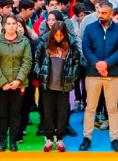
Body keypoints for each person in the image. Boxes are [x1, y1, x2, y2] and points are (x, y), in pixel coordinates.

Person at [79, 1, 118, 153]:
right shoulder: (90, 28)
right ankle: (87, 137)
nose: (101, 15)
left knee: (112, 108)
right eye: (99, 12)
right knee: (90, 108)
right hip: (93, 74)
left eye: (104, 13)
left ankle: (115, 139)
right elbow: (86, 49)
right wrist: (99, 65)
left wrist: (106, 64)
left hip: (112, 75)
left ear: (111, 13)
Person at [34, 20, 81, 152]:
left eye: (61, 36)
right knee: (48, 113)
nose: (58, 38)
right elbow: (36, 60)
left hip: (63, 86)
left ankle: (60, 138)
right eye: (56, 35)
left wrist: (71, 78)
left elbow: (77, 64)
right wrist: (40, 73)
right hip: (47, 86)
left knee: (62, 114)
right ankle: (49, 138)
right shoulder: (44, 44)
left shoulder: (71, 45)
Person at [0, 14, 32, 152]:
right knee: (1, 113)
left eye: (14, 23)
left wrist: (18, 80)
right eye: (9, 23)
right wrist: (3, 82)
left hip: (19, 84)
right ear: (4, 25)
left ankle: (13, 141)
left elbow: (27, 61)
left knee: (15, 113)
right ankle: (2, 141)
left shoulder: (24, 42)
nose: (12, 26)